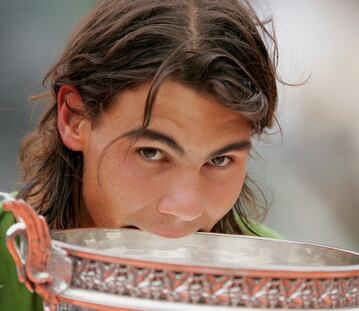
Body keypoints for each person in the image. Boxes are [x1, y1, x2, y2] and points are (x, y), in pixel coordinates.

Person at [0, 0, 284, 309]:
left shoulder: (283, 283)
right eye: (151, 152)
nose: (185, 208)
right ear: (74, 118)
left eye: (219, 160)